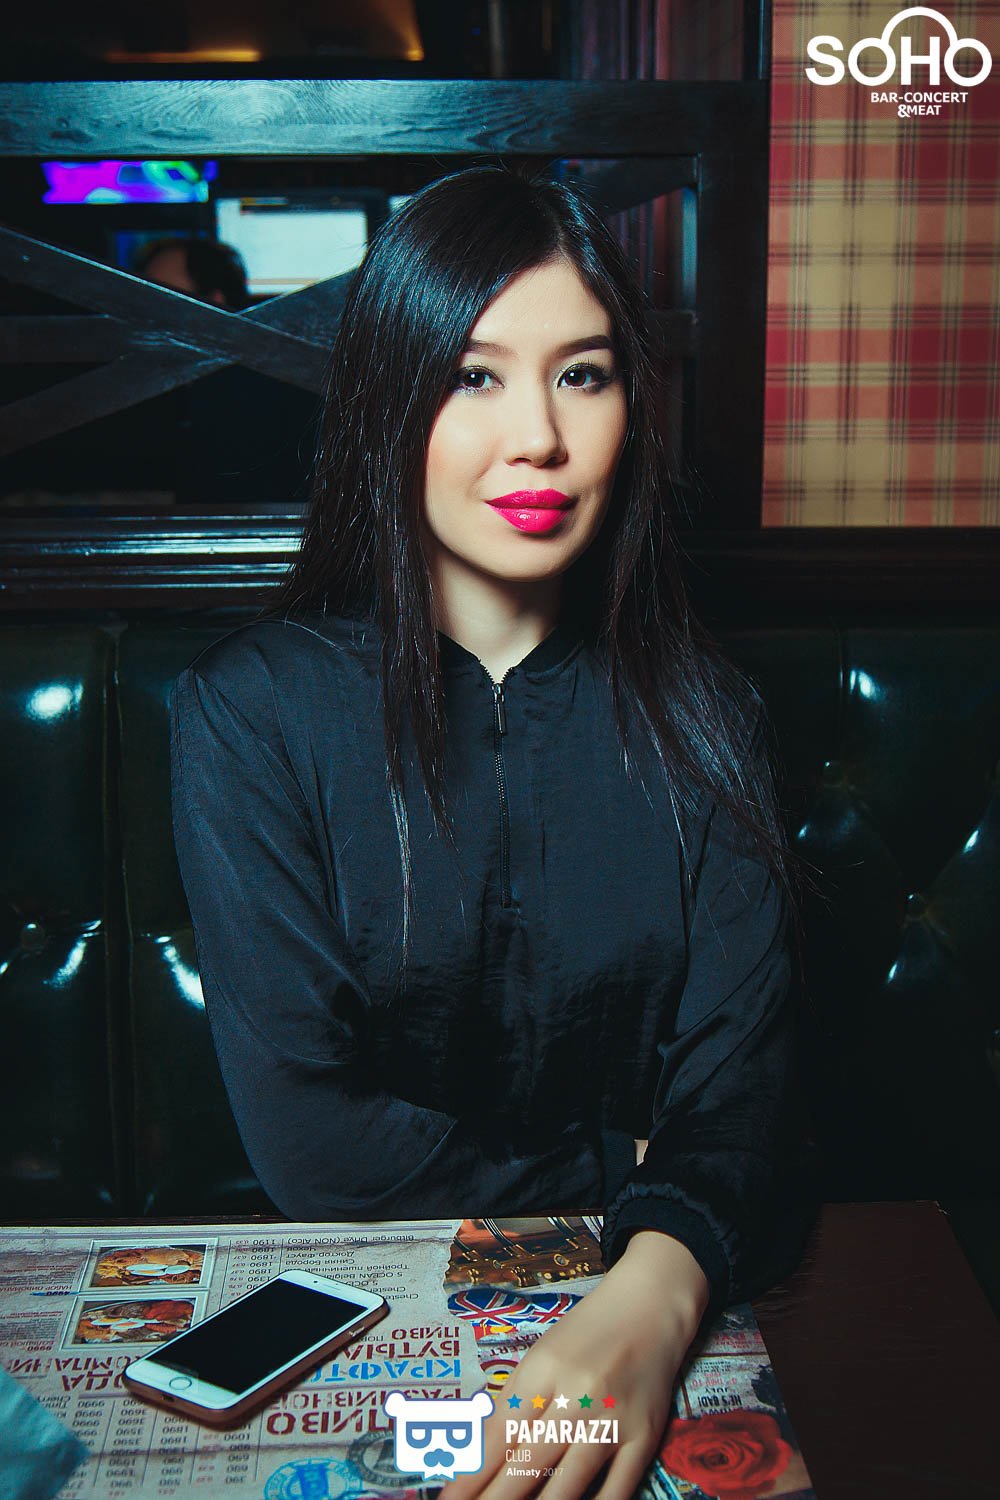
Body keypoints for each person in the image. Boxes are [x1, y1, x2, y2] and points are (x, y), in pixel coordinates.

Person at [169, 166, 806, 1498]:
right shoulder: (254, 713)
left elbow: (741, 1093)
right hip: (361, 1315)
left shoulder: (709, 716)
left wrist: (655, 1290)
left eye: (582, 375)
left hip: (655, 1298)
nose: (540, 438)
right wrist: (625, 1169)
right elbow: (315, 1143)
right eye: (474, 376)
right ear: (389, 403)